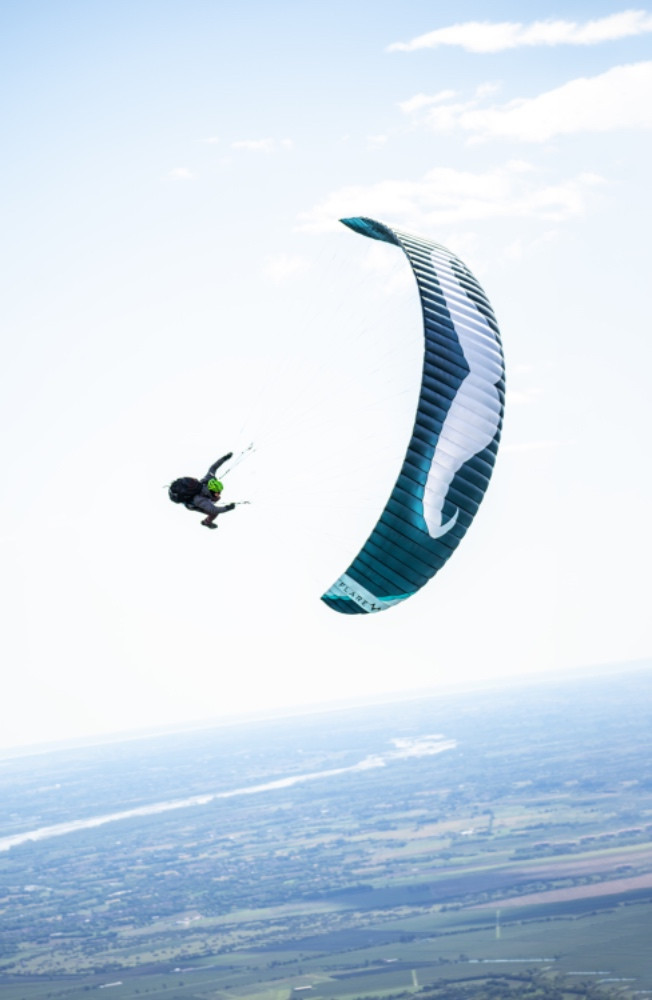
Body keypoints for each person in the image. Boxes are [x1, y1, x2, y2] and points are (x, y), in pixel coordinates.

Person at [175, 453, 237, 529]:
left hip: (204, 497)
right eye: (217, 492)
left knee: (217, 499)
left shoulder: (209, 478)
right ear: (211, 491)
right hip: (193, 504)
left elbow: (213, 467)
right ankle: (206, 522)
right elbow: (214, 510)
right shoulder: (200, 500)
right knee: (214, 514)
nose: (219, 493)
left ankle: (210, 504)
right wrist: (227, 508)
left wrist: (224, 458)